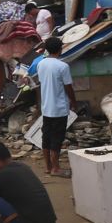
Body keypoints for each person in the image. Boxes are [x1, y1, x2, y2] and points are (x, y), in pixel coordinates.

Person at [35, 36, 77, 177]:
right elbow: (68, 87)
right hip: (59, 108)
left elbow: (41, 84)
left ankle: (48, 167)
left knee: (46, 138)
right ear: (60, 49)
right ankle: (56, 168)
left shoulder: (41, 64)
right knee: (56, 139)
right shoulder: (62, 66)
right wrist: (74, 102)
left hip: (46, 107)